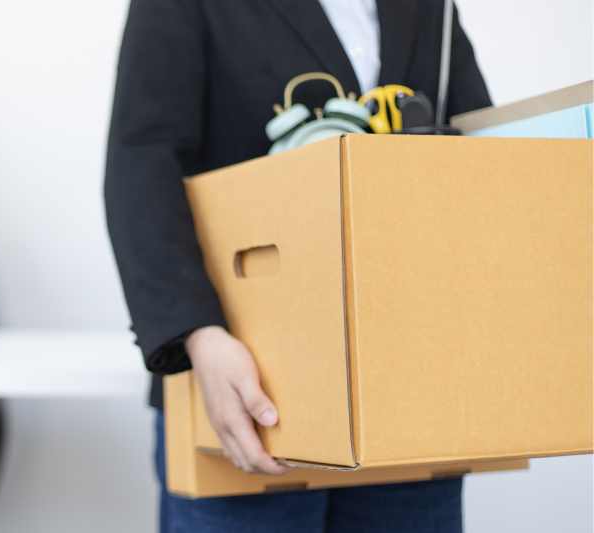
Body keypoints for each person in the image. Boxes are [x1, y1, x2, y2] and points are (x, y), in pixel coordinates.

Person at [104, 1, 491, 531]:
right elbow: (141, 163)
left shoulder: (429, 7)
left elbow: (483, 157)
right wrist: (198, 335)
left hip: (409, 393)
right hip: (245, 385)